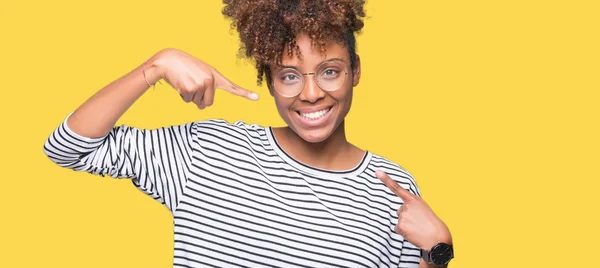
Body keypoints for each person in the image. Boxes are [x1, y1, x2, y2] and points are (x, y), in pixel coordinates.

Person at [43, 0, 454, 267]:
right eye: (289, 76)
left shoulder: (391, 190)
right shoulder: (208, 152)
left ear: (355, 72)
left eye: (329, 71)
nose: (312, 94)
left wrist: (438, 253)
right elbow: (69, 148)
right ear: (269, 80)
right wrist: (155, 66)